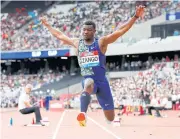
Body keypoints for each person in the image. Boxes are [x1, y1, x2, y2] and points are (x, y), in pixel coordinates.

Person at [41, 5, 145, 126]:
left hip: (102, 82)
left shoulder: (101, 43)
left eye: (88, 30)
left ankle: (108, 117)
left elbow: (120, 31)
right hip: (88, 81)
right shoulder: (77, 43)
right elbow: (60, 35)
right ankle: (83, 114)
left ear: (94, 31)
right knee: (88, 82)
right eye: (84, 29)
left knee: (110, 118)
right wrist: (47, 25)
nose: (85, 31)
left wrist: (135, 16)